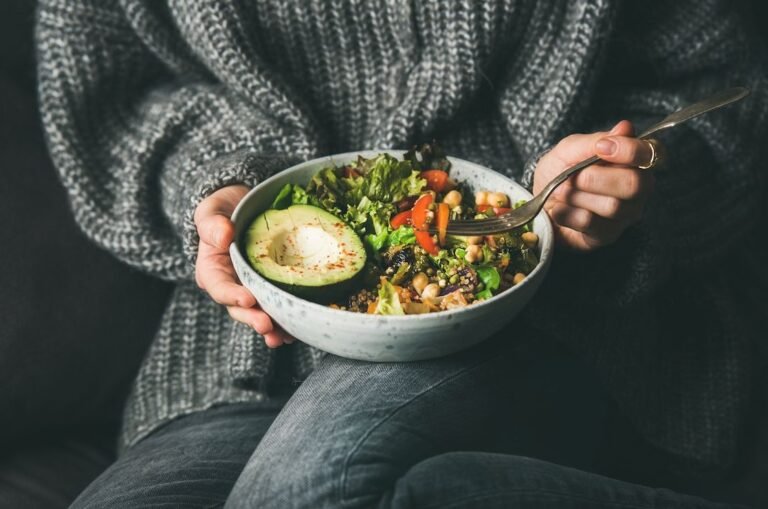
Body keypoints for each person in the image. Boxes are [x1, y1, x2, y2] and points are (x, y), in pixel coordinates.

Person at [35, 0, 766, 507]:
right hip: (236, 351)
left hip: (545, 316)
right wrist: (215, 188)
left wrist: (621, 185)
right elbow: (111, 87)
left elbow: (726, 92)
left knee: (309, 493)